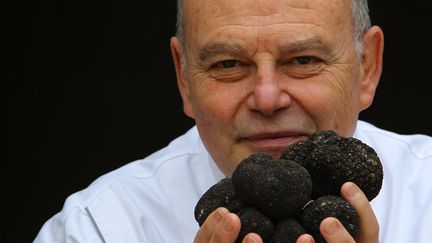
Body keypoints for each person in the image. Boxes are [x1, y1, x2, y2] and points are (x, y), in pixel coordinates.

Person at [34, 0, 432, 242]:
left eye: (303, 60)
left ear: (367, 66)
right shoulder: (97, 230)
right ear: (184, 79)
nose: (267, 97)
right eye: (228, 64)